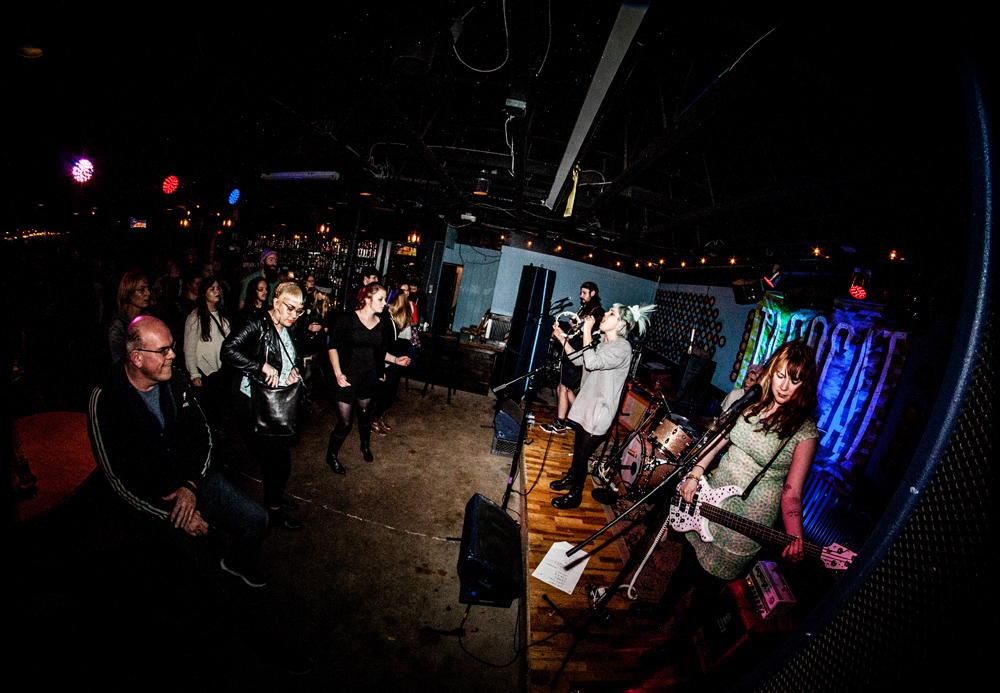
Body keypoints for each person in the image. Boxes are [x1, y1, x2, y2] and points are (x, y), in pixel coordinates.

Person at [630, 341, 820, 666]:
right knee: (688, 560)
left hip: (744, 522)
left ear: (805, 384)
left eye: (796, 379)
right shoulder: (751, 404)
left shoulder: (803, 432)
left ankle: (677, 644)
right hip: (711, 497)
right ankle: (662, 608)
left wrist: (794, 534)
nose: (786, 386)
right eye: (782, 376)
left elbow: (792, 492)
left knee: (706, 588)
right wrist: (695, 474)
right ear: (771, 372)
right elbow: (717, 440)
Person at [88, 315, 269, 587]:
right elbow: (117, 480)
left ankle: (236, 565)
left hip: (194, 479)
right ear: (136, 358)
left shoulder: (174, 379)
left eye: (171, 346)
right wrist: (175, 515)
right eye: (163, 350)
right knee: (201, 572)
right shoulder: (106, 399)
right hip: (153, 502)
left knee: (258, 519)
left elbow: (203, 435)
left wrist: (191, 485)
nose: (173, 354)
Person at [222, 282, 314, 531]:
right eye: (290, 308)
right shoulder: (256, 322)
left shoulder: (287, 326)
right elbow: (228, 350)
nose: (294, 315)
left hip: (277, 401)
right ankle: (273, 510)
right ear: (275, 302)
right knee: (278, 461)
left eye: (299, 311)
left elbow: (289, 355)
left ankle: (275, 496)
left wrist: (294, 371)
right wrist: (260, 366)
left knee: (278, 460)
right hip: (254, 404)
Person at [548, 302, 654, 509]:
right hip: (587, 404)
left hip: (600, 410)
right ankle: (571, 478)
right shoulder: (601, 341)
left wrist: (586, 331)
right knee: (579, 449)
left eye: (611, 313)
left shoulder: (623, 347)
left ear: (622, 323)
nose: (605, 314)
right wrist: (562, 338)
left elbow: (594, 362)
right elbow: (581, 360)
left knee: (582, 453)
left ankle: (576, 494)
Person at [326, 283, 410, 474]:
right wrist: (338, 373)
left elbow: (380, 353)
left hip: (368, 377)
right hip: (346, 377)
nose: (385, 303)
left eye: (385, 299)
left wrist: (396, 360)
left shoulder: (382, 325)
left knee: (365, 415)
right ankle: (331, 455)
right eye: (380, 299)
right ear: (367, 298)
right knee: (345, 423)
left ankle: (365, 445)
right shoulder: (347, 319)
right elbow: (332, 347)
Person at [541, 281, 605, 434]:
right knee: (565, 388)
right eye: (581, 292)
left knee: (563, 388)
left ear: (593, 293)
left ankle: (561, 423)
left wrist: (579, 327)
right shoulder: (584, 308)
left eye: (584, 293)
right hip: (572, 350)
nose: (581, 295)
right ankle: (579, 419)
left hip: (581, 355)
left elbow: (591, 333)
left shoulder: (598, 311)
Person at [184, 277, 231, 432]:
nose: (217, 292)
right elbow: (189, 348)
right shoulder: (195, 317)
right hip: (205, 372)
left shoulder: (222, 315)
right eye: (212, 289)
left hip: (221, 371)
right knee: (208, 413)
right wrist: (194, 374)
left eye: (218, 288)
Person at [370, 287, 412, 434]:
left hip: (389, 362)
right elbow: (379, 349)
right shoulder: (386, 321)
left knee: (389, 394)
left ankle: (379, 418)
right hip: (384, 363)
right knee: (385, 394)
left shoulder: (392, 321)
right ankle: (374, 420)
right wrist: (382, 369)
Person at [109, 270, 150, 363]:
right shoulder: (118, 325)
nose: (148, 293)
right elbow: (118, 362)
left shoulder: (147, 319)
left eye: (147, 288)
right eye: (141, 289)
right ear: (129, 292)